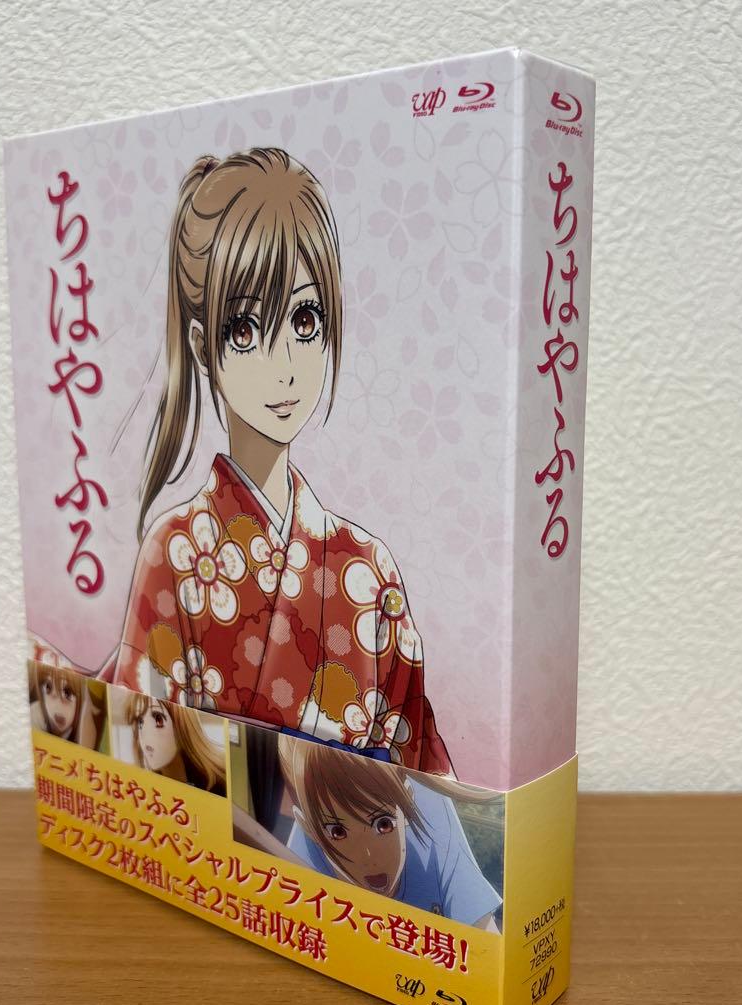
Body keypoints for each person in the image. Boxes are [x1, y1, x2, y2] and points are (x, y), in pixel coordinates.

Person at [108, 147, 453, 776]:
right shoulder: (175, 556)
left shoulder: (368, 571)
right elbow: (143, 762)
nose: (284, 362)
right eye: (244, 328)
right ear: (203, 348)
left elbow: (419, 783)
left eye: (305, 319)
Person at [277, 733, 501, 931]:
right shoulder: (311, 830)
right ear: (308, 828)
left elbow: (481, 931)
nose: (368, 856)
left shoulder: (430, 813)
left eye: (383, 824)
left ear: (408, 800)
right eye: (338, 832)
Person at [118, 692, 226, 796]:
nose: (145, 735)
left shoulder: (218, 787)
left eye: (158, 719)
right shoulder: (144, 791)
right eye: (140, 722)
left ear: (180, 725)